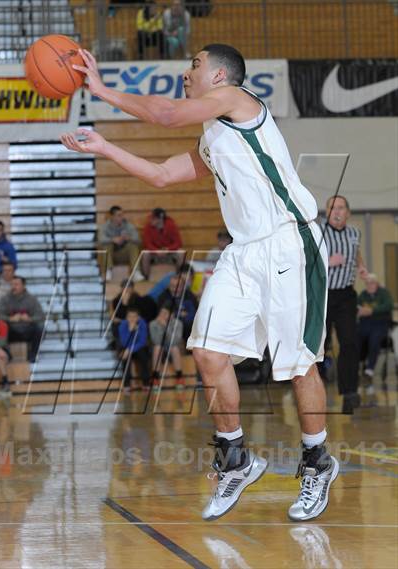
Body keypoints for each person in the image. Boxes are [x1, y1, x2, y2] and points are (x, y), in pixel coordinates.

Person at [61, 43, 339, 523]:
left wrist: (102, 89)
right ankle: (235, 458)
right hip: (244, 251)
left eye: (194, 64)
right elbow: (164, 174)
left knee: (298, 365)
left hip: (289, 243)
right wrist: (105, 147)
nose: (185, 72)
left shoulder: (237, 100)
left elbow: (167, 115)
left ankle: (318, 460)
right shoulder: (214, 136)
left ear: (220, 76)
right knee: (208, 351)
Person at [320, 195, 368, 414]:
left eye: (341, 208)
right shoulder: (318, 232)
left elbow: (356, 253)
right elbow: (305, 260)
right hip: (324, 295)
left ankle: (350, 393)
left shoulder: (354, 233)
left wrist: (362, 268)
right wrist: (327, 262)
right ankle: (315, 389)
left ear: (348, 212)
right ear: (326, 212)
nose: (336, 212)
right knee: (322, 343)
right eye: (332, 208)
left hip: (347, 295)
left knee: (349, 342)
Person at [357, 273, 394, 384]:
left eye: (372, 283)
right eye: (367, 283)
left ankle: (369, 371)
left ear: (376, 284)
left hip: (380, 324)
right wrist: (361, 312)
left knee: (374, 339)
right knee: (354, 337)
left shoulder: (384, 293)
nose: (369, 285)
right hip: (365, 324)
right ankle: (356, 368)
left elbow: (388, 305)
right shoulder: (363, 295)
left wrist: (372, 310)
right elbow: (357, 306)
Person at [0, 276, 44, 363]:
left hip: (27, 330)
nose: (13, 287)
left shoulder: (32, 299)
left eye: (16, 284)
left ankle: (33, 355)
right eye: (12, 284)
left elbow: (41, 316)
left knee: (39, 328)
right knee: (2, 325)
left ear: (23, 286)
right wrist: (10, 319)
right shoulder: (4, 299)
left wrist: (29, 319)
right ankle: (6, 353)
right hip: (11, 330)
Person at [99, 205, 144, 282]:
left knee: (133, 245)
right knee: (106, 245)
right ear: (112, 216)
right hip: (112, 255)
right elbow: (100, 239)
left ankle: (136, 272)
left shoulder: (128, 225)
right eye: (119, 215)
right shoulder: (105, 226)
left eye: (122, 215)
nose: (121, 217)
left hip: (124, 254)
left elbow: (138, 240)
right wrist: (113, 239)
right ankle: (108, 271)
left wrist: (128, 238)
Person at [149, 303, 184, 390]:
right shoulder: (153, 324)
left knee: (174, 348)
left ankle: (179, 377)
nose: (162, 316)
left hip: (172, 346)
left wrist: (166, 326)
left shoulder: (178, 323)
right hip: (159, 345)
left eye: (165, 313)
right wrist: (161, 326)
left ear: (172, 314)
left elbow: (175, 341)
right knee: (157, 348)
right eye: (161, 313)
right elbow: (156, 340)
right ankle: (156, 378)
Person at [141, 208, 183, 279]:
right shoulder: (148, 227)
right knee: (145, 254)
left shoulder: (171, 225)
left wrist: (168, 249)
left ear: (160, 219)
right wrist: (156, 251)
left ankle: (179, 276)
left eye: (153, 218)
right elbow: (147, 243)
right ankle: (146, 277)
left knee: (181, 253)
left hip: (169, 252)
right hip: (155, 252)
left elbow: (178, 242)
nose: (151, 220)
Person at [118, 307, 150, 391]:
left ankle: (146, 382)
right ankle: (127, 384)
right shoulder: (123, 325)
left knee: (144, 357)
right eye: (130, 316)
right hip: (126, 346)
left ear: (138, 317)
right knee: (124, 358)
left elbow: (142, 341)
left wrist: (130, 349)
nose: (132, 319)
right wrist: (130, 330)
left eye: (134, 316)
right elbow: (124, 342)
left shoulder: (142, 324)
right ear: (126, 317)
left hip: (137, 347)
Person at [158, 274, 198, 341]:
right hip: (170, 324)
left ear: (183, 286)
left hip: (187, 325)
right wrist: (179, 314)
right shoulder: (163, 297)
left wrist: (175, 314)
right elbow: (162, 314)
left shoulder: (189, 296)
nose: (175, 289)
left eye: (178, 286)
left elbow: (194, 313)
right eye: (173, 286)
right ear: (169, 286)